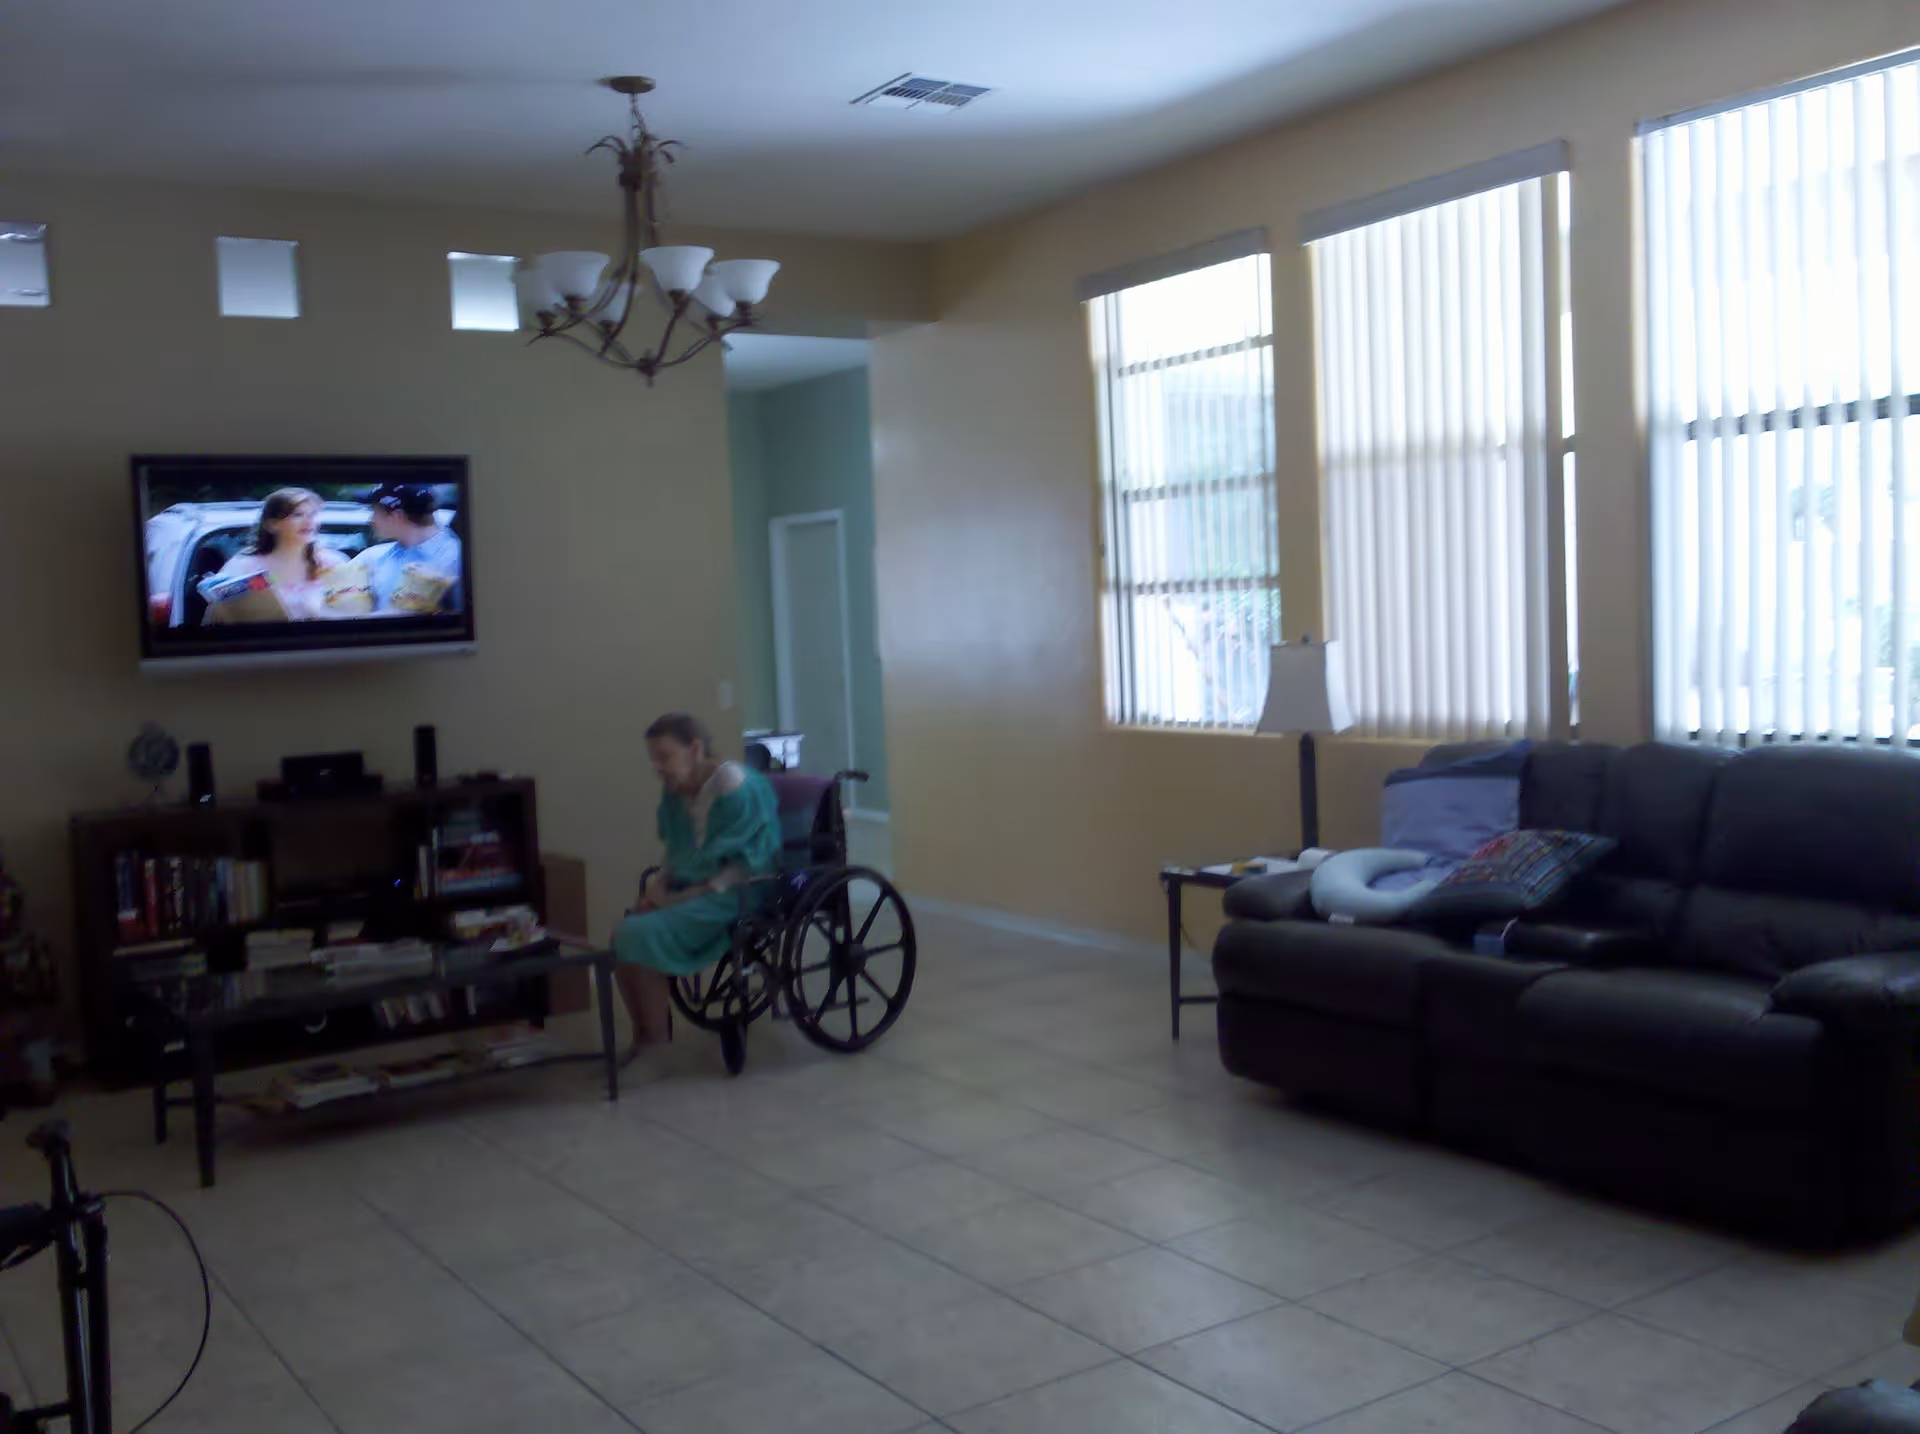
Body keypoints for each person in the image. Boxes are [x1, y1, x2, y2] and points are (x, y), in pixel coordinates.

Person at [612, 712, 781, 1061]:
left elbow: (747, 864)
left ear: (695, 749)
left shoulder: (735, 787)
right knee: (621, 935)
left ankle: (658, 1049)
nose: (658, 768)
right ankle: (643, 1040)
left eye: (664, 758)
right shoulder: (677, 793)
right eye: (653, 760)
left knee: (641, 934)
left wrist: (684, 896)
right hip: (694, 889)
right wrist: (658, 893)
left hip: (739, 891)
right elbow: (676, 851)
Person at [205, 488, 346, 622]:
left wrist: (319, 614)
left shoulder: (333, 563)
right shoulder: (244, 567)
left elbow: (355, 614)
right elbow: (216, 617)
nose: (309, 521)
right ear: (272, 524)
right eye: (298, 515)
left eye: (313, 514)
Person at [361, 482, 463, 614]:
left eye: (375, 512)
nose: (371, 520)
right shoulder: (373, 556)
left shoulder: (457, 558)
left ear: (397, 517)